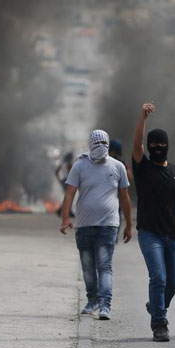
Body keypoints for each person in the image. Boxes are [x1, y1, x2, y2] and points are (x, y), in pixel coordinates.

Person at [131, 102, 175, 342]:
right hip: (149, 234)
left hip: (173, 236)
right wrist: (143, 118)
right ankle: (159, 323)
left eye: (161, 143)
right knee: (159, 277)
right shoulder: (143, 169)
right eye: (154, 143)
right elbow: (137, 145)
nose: (157, 147)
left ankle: (156, 305)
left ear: (167, 146)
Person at [59, 129, 132, 320]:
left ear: (108, 144)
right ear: (90, 145)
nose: (100, 147)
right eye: (96, 143)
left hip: (108, 225)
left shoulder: (118, 167)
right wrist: (65, 218)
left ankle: (105, 305)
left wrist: (129, 224)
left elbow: (125, 198)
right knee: (88, 267)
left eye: (103, 143)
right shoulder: (80, 165)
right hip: (83, 225)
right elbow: (69, 193)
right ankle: (92, 300)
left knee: (105, 266)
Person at [109, 139, 134, 242]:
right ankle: (113, 237)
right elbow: (130, 176)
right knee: (116, 216)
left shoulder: (105, 161)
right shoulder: (122, 163)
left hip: (113, 195)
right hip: (118, 195)